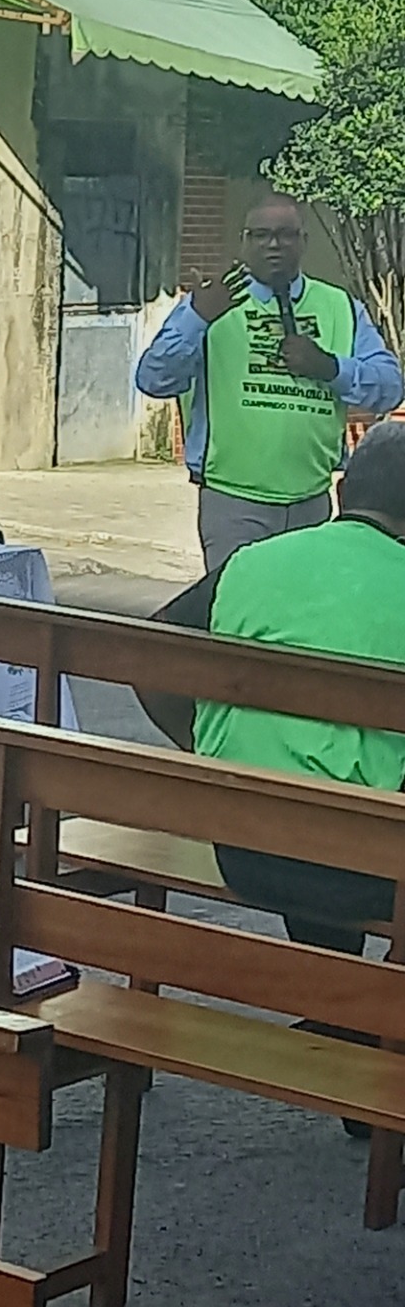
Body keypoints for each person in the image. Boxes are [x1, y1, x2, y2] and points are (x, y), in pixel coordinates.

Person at [137, 422, 405, 1134]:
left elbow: (150, 653)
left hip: (246, 846)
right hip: (366, 868)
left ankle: (346, 1012)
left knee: (312, 802)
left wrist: (203, 746)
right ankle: (370, 1029)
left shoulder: (251, 564)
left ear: (341, 491)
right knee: (356, 816)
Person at [136, 194, 403, 572]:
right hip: (234, 502)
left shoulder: (339, 306)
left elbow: (390, 387)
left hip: (311, 501)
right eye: (260, 235)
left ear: (303, 241)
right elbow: (153, 379)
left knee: (303, 605)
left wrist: (329, 367)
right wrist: (197, 318)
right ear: (243, 241)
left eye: (285, 234)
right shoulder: (212, 301)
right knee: (239, 603)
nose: (273, 244)